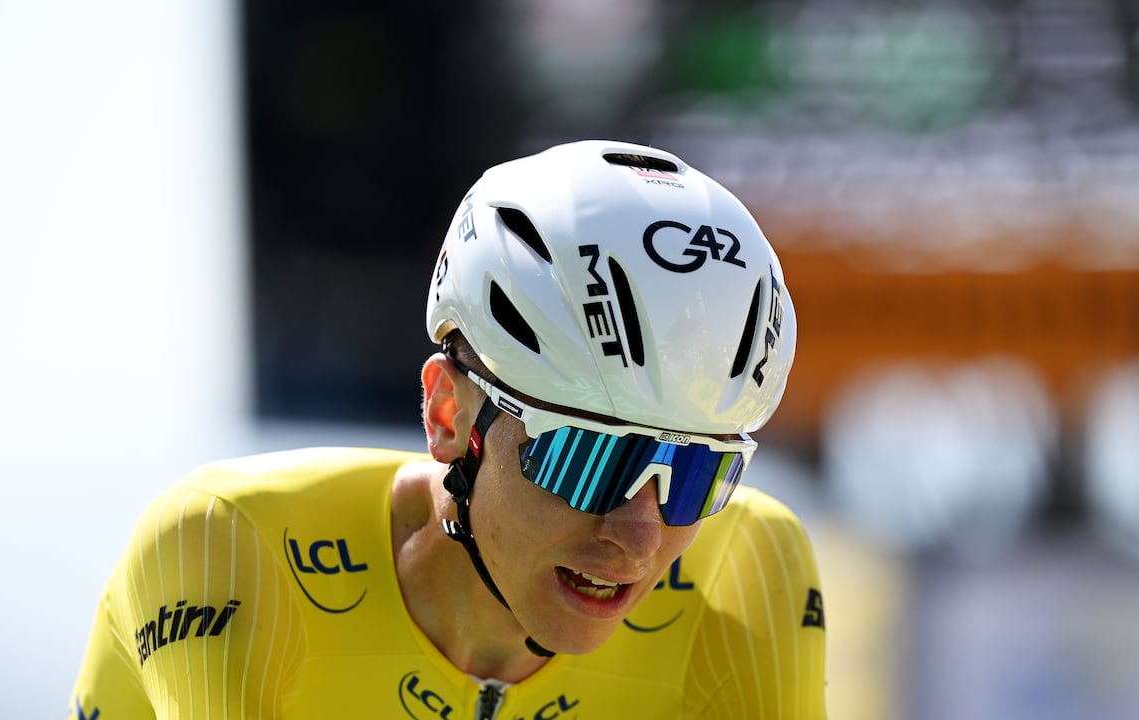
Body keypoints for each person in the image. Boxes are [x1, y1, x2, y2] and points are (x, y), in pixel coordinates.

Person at [68, 139, 827, 719]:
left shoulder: (746, 564)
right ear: (449, 416)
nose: (637, 537)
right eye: (590, 462)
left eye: (697, 479)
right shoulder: (225, 541)